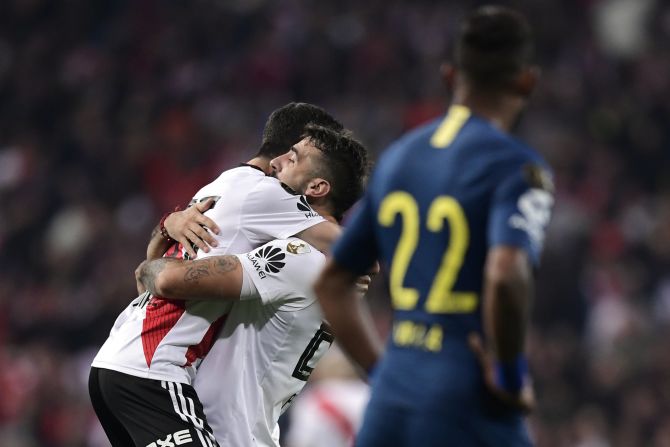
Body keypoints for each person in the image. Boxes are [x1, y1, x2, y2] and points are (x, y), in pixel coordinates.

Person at [314, 6, 554, 447]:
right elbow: (506, 274)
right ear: (526, 81)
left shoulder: (398, 159)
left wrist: (385, 374)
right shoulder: (517, 167)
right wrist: (510, 372)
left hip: (391, 402)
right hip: (466, 398)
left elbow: (332, 283)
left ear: (449, 77)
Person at [88, 103, 360, 446]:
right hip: (154, 368)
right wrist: (361, 260)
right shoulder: (269, 199)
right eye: (288, 154)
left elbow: (152, 273)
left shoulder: (224, 187)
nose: (279, 164)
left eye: (294, 158)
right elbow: (348, 242)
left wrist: (165, 228)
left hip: (128, 359)